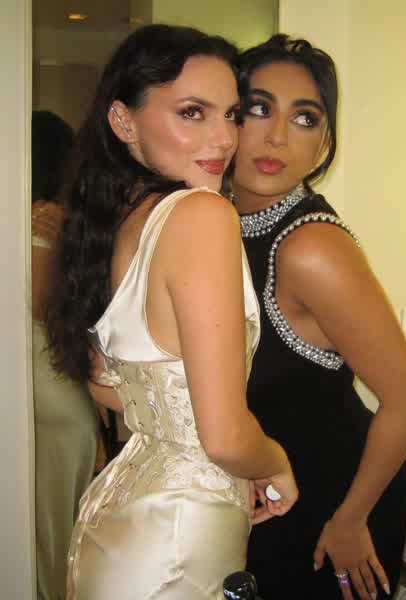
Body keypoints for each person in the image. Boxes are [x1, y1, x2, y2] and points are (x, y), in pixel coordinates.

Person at [44, 25, 299, 600]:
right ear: (123, 121)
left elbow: (109, 385)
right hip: (175, 536)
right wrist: (274, 460)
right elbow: (225, 436)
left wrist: (192, 443)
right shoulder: (200, 215)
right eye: (192, 113)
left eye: (231, 114)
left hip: (121, 519)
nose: (224, 139)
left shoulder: (119, 222)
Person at [229, 35, 406, 600]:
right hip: (272, 496)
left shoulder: (310, 247)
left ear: (323, 145)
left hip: (335, 515)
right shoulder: (216, 220)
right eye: (258, 108)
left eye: (305, 118)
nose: (277, 136)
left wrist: (350, 519)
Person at [31, 110, 98, 600]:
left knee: (48, 523)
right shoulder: (46, 229)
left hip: (44, 391)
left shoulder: (38, 225)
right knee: (57, 527)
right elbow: (57, 313)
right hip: (54, 391)